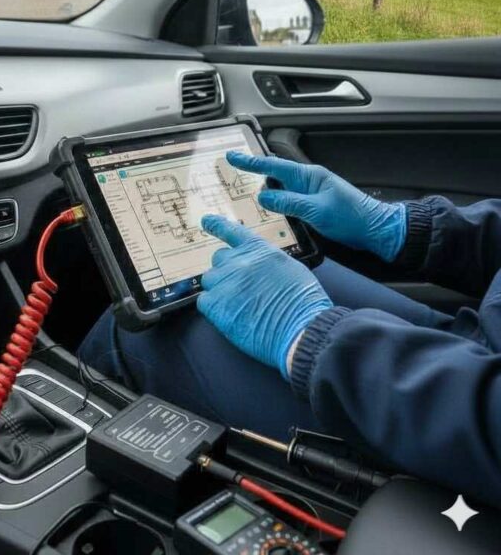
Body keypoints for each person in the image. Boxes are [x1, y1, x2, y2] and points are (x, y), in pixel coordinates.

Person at [80, 151, 501, 506]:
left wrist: (310, 337)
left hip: (469, 427)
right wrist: (406, 228)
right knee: (273, 265)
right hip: (477, 352)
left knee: (145, 328)